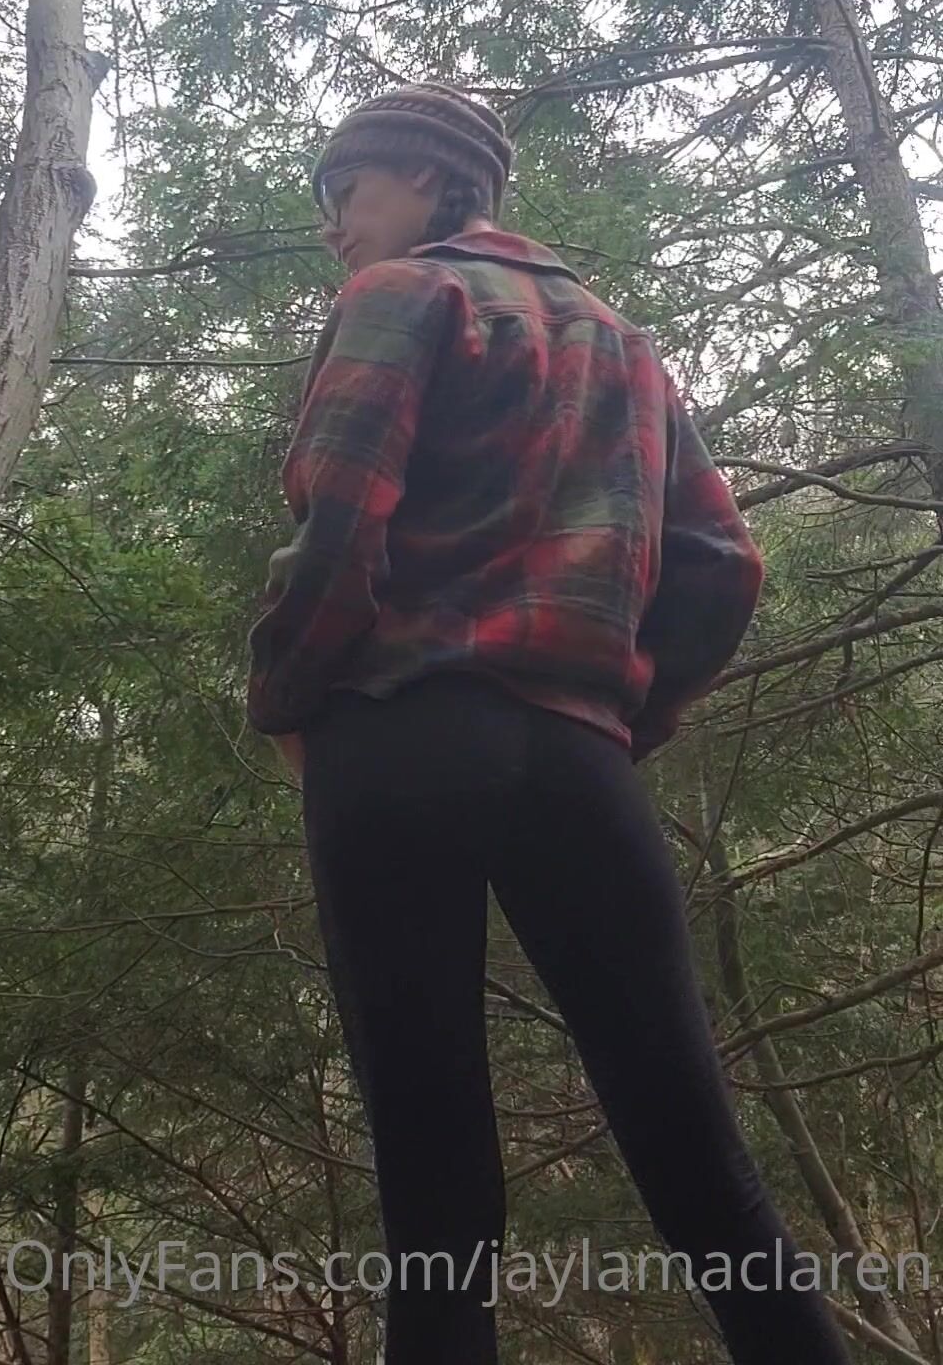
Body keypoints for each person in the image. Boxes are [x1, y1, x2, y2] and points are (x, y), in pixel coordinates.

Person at [244, 83, 852, 1365]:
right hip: (576, 757)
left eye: (347, 190)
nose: (334, 224)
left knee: (434, 1188)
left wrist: (286, 698)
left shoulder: (402, 294)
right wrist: (626, 710)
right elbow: (722, 563)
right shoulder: (624, 341)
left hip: (394, 736)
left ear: (426, 179)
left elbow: (340, 516)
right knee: (702, 1161)